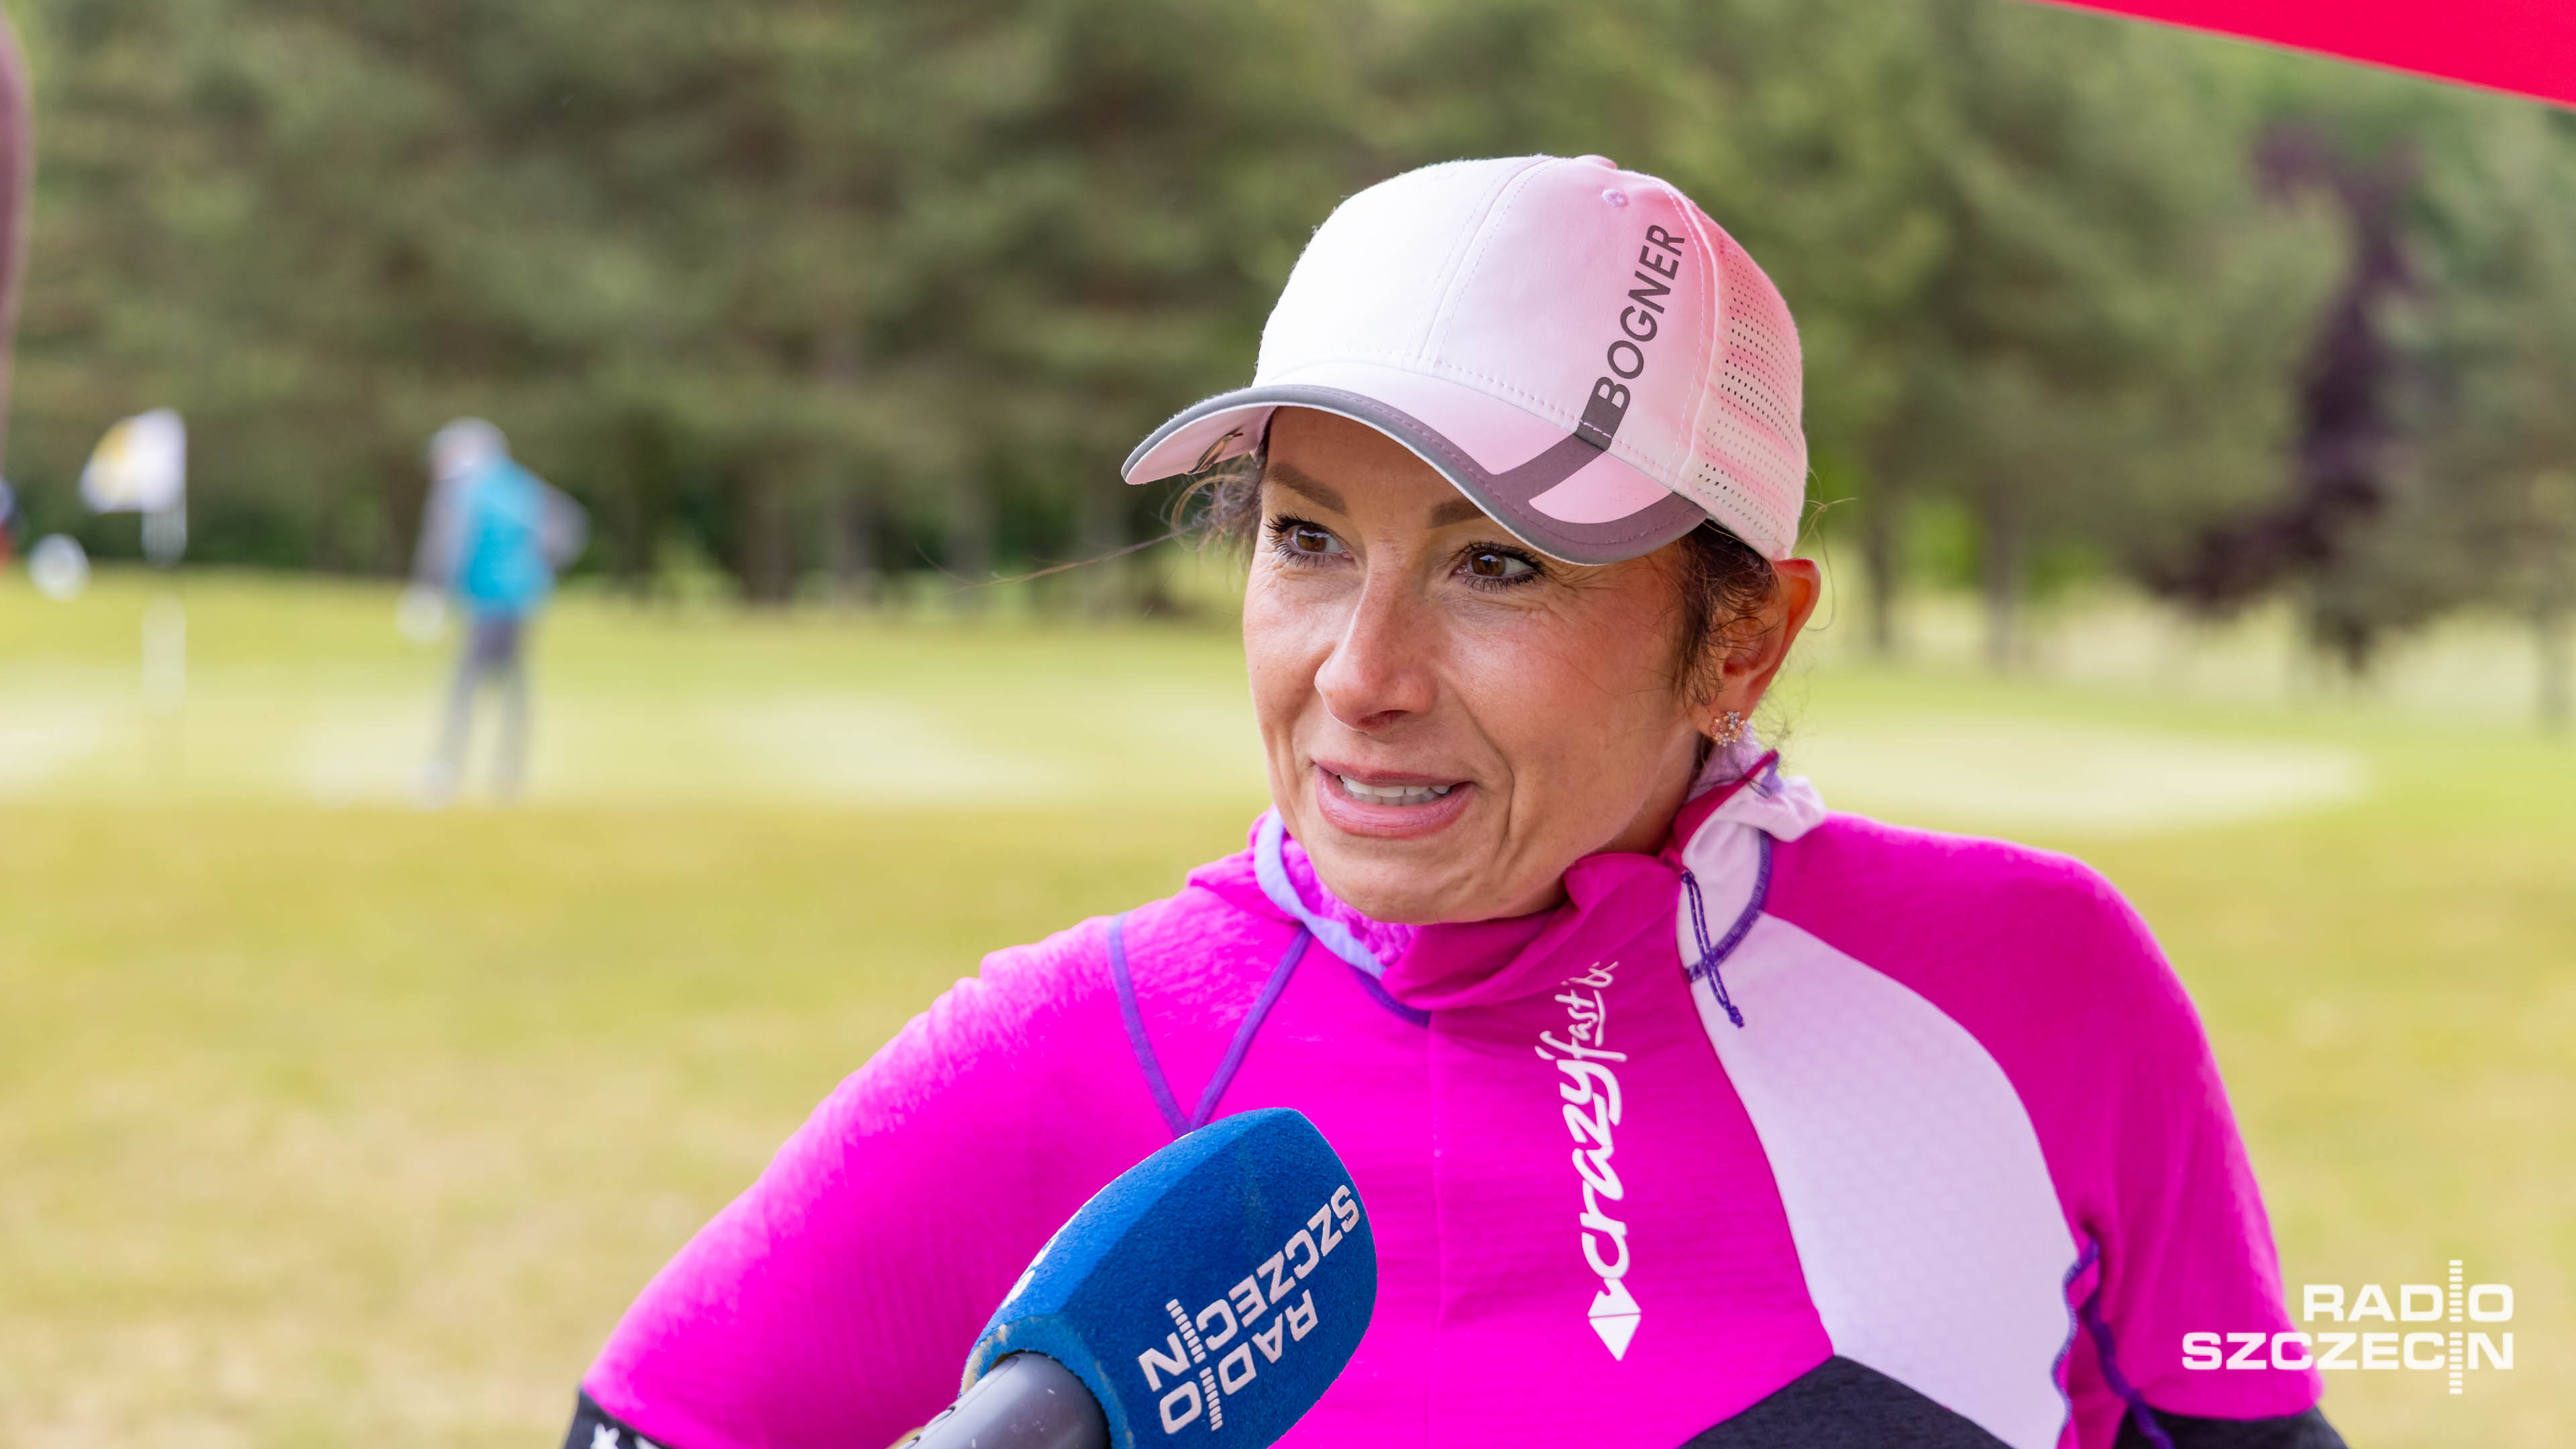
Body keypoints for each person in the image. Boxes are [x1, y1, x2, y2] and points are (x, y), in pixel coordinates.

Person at [565, 157, 2340, 1448]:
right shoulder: (1069, 1048)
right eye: (1308, 539)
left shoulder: (2042, 987)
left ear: (1742, 641)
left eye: (1499, 563)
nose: (1360, 673)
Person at [406, 418, 586, 805]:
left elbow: (448, 543)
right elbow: (567, 527)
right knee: (513, 686)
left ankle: (447, 768)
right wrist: (542, 570)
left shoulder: (464, 490)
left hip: (488, 601)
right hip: (525, 601)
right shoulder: (520, 484)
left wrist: (432, 592)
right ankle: (509, 771)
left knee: (465, 685)